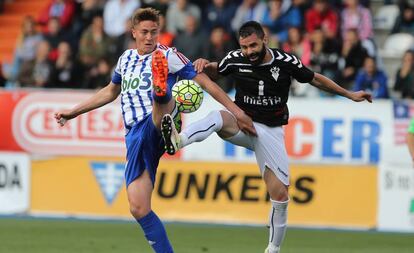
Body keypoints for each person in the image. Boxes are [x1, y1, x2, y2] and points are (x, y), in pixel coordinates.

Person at [54, 8, 255, 253]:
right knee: (138, 208)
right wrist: (72, 112)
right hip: (135, 138)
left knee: (159, 104)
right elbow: (110, 91)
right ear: (134, 32)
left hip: (158, 120)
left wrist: (237, 112)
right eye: (145, 32)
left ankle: (162, 96)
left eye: (154, 32)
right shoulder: (125, 59)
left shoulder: (168, 55)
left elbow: (204, 81)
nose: (150, 37)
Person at [160, 21, 372, 253]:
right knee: (217, 116)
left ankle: (273, 249)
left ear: (264, 39)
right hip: (241, 124)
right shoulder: (235, 58)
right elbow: (215, 69)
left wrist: (349, 94)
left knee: (280, 196)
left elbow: (315, 79)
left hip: (269, 132)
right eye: (244, 47)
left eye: (253, 45)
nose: (249, 51)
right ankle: (178, 140)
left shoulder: (285, 61)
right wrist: (203, 63)